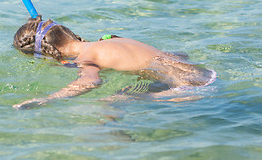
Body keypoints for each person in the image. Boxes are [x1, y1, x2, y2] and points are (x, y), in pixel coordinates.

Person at [12, 15, 216, 109]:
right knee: (126, 90)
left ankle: (114, 144)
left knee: (106, 103)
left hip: (190, 91)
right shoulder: (109, 40)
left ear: (51, 53)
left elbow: (90, 82)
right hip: (205, 74)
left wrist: (49, 98)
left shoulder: (87, 58)